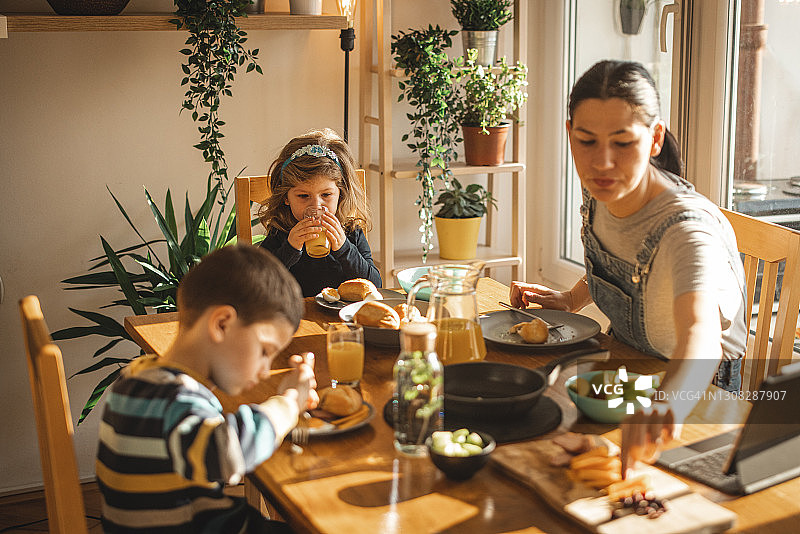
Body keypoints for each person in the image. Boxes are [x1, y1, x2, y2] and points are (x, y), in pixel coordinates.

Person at [510, 60, 747, 476]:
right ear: (570, 135)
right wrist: (572, 298)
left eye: (623, 143)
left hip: (699, 393)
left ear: (654, 139)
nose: (602, 162)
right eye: (586, 140)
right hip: (627, 367)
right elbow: (622, 263)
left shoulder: (687, 230)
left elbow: (701, 334)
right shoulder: (600, 194)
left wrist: (667, 403)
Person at [96, 245, 318, 533]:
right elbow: (225, 454)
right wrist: (287, 404)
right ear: (222, 324)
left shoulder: (139, 377)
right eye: (264, 350)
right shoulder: (175, 398)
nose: (265, 370)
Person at [259, 128, 382, 297]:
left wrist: (344, 248)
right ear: (285, 197)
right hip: (295, 318)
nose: (317, 206)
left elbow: (375, 286)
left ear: (341, 194)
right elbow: (259, 285)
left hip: (341, 318)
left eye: (326, 195)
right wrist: (290, 248)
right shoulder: (281, 233)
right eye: (303, 196)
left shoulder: (351, 232)